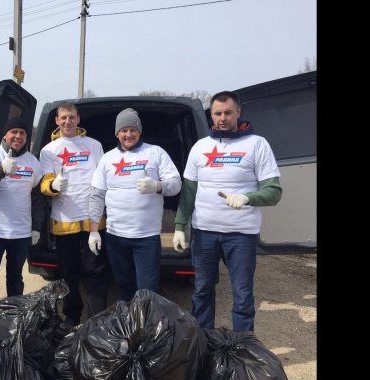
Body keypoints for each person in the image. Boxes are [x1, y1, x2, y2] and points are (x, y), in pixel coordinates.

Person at [172, 91, 282, 332]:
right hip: (204, 232)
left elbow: (274, 192)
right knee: (202, 290)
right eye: (218, 113)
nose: (223, 118)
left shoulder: (257, 144)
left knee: (242, 293)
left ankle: (242, 345)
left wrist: (247, 198)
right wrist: (179, 226)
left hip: (241, 234)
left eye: (228, 112)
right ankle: (203, 341)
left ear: (238, 112)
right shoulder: (200, 147)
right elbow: (189, 192)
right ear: (211, 115)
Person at [88, 108, 181, 302]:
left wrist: (158, 186)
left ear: (139, 131)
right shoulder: (108, 158)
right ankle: (129, 320)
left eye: (133, 130)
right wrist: (94, 231)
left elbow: (176, 184)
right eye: (124, 130)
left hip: (146, 236)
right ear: (117, 133)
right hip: (116, 236)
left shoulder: (155, 153)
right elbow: (97, 195)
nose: (128, 134)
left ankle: (145, 321)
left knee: (147, 290)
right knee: (125, 286)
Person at [38, 103, 110, 330]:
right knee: (68, 273)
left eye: (71, 117)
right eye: (63, 118)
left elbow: (103, 178)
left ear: (78, 119)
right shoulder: (49, 150)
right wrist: (53, 185)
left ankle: (96, 318)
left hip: (92, 221)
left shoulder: (94, 145)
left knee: (95, 272)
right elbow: (44, 181)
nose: (67, 121)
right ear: (57, 121)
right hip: (64, 221)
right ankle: (71, 316)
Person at [0, 117, 44, 335]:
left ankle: (14, 324)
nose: (18, 136)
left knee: (15, 280)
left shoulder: (33, 162)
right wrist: (0, 169)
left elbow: (38, 198)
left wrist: (36, 227)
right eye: (14, 132)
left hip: (20, 233)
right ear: (5, 135)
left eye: (22, 133)